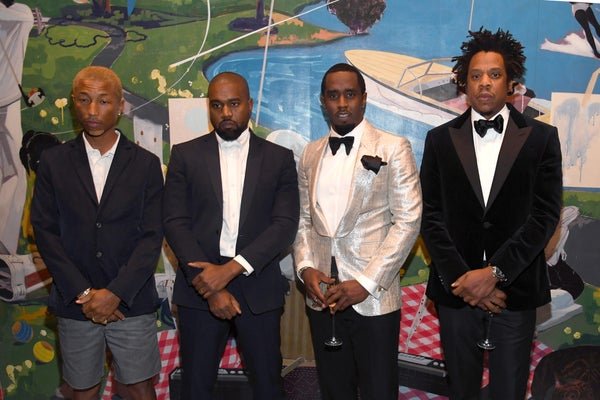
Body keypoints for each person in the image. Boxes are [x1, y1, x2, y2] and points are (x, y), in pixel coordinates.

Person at [420, 28, 563, 400]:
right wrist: (467, 281)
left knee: (509, 391)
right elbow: (430, 216)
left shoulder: (542, 138)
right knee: (461, 390)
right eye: (476, 75)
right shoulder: (438, 140)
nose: (485, 83)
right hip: (457, 294)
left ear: (512, 84)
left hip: (514, 293)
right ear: (463, 83)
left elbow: (544, 217)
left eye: (494, 75)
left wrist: (495, 274)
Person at [163, 71, 299, 400]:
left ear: (249, 105)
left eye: (234, 104)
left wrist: (230, 270)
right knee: (196, 387)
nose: (226, 113)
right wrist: (210, 286)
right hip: (199, 288)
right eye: (217, 105)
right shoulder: (185, 155)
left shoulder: (278, 159)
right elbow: (174, 221)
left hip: (258, 286)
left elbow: (285, 225)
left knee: (268, 386)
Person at [31, 66, 163, 400]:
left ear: (120, 105)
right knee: (82, 390)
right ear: (74, 103)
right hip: (76, 302)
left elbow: (152, 236)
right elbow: (45, 232)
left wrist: (115, 293)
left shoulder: (146, 164)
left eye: (103, 101)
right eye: (84, 100)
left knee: (138, 389)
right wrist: (85, 293)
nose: (92, 111)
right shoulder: (53, 162)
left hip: (130, 300)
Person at [293, 63, 422, 400]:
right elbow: (303, 219)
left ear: (364, 99)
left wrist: (365, 283)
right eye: (333, 96)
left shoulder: (394, 147)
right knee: (335, 389)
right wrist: (306, 268)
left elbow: (408, 221)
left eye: (350, 94)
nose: (342, 103)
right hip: (323, 297)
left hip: (374, 297)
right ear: (323, 102)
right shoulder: (309, 153)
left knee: (379, 390)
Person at [0, 0, 33, 254]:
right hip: (8, 101)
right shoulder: (22, 14)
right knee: (14, 174)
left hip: (9, 103)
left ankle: (5, 249)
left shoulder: (21, 13)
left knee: (16, 174)